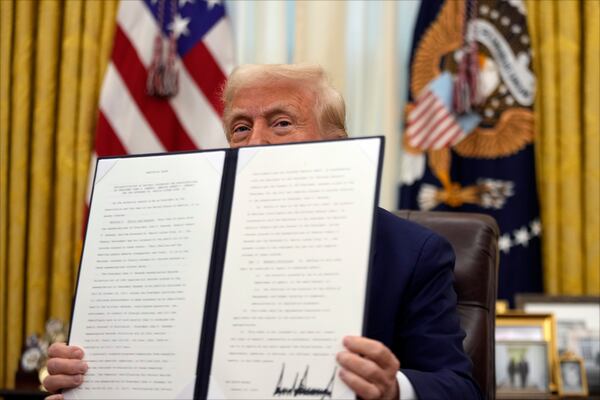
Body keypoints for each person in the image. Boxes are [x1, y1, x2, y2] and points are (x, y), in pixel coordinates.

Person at [43, 64, 482, 400]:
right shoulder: (180, 240)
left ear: (336, 142)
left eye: (281, 123)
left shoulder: (412, 251)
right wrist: (85, 375)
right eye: (241, 127)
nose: (255, 143)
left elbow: (459, 386)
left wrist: (393, 388)